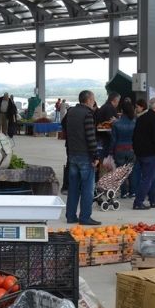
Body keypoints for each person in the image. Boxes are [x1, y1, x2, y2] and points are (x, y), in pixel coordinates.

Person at [64, 90, 101, 226]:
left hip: (72, 154)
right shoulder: (87, 114)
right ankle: (85, 217)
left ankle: (71, 216)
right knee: (87, 188)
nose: (94, 102)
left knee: (73, 187)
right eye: (93, 99)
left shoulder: (71, 112)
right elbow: (91, 137)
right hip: (85, 155)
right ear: (88, 100)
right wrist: (95, 156)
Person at [133, 96, 155, 210]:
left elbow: (135, 136)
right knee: (147, 178)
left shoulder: (141, 118)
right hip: (151, 154)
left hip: (141, 153)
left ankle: (153, 200)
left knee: (149, 178)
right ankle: (138, 202)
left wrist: (136, 151)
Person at [112, 99, 137, 198]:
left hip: (119, 149)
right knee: (132, 171)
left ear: (122, 111)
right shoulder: (135, 122)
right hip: (131, 149)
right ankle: (133, 191)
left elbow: (113, 140)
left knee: (121, 172)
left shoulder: (116, 123)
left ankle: (124, 192)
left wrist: (111, 151)